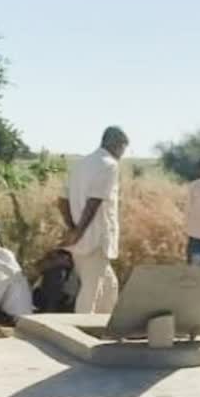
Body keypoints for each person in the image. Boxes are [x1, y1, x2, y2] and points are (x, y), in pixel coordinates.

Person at [58, 126, 128, 313]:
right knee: (91, 290)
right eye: (123, 148)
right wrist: (78, 232)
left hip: (80, 241)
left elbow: (62, 200)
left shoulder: (81, 164)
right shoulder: (109, 164)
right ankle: (80, 332)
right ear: (117, 145)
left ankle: (106, 328)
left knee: (110, 287)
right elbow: (95, 201)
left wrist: (72, 227)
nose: (123, 153)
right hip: (95, 239)